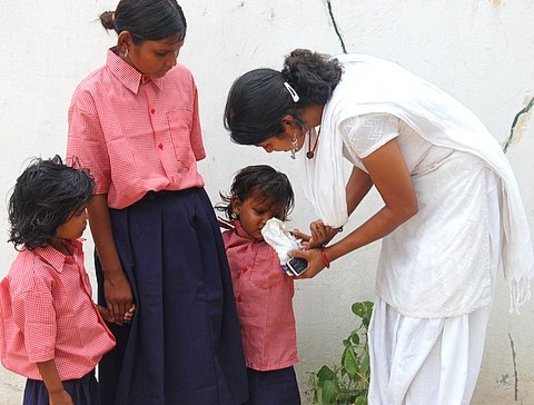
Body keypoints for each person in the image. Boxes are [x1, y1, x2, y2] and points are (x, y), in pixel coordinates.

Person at [224, 49, 534, 404]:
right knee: (400, 295)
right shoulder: (329, 95)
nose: (269, 152)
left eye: (267, 144)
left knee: (433, 308)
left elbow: (402, 206)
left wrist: (327, 256)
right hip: (422, 186)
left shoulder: (355, 115)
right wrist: (332, 226)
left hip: (458, 192)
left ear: (287, 124)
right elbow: (369, 162)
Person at [66, 1, 247, 404]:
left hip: (191, 222)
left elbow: (190, 156)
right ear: (126, 41)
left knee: (202, 328)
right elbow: (93, 192)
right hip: (132, 236)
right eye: (162, 52)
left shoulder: (182, 80)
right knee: (144, 346)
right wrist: (113, 273)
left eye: (177, 50)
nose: (172, 62)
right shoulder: (91, 96)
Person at [0, 156, 117, 405]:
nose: (86, 218)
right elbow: (39, 343)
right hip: (56, 385)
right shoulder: (34, 278)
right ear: (49, 218)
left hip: (80, 377)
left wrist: (101, 313)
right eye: (79, 213)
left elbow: (69, 308)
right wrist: (56, 393)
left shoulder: (67, 250)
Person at [217, 165, 301, 405]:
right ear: (237, 205)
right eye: (259, 211)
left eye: (276, 216)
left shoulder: (285, 248)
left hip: (272, 360)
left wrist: (309, 247)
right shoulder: (221, 245)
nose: (267, 221)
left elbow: (304, 266)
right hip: (231, 356)